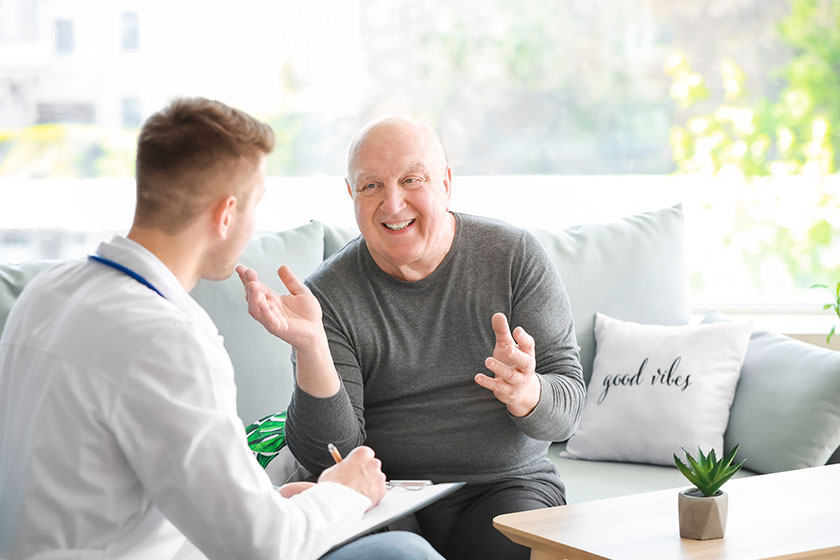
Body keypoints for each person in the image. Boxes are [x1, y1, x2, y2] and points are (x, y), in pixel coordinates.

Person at [0, 99, 442, 560]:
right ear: (226, 214)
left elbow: (120, 493)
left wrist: (279, 502)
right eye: (256, 204)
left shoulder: (46, 294)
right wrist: (346, 491)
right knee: (404, 553)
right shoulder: (164, 338)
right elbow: (265, 547)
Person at [241, 116, 586, 560]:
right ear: (351, 195)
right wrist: (311, 348)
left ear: (445, 182)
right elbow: (332, 459)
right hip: (385, 493)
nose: (393, 203)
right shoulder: (325, 295)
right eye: (371, 187)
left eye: (411, 180)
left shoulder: (515, 257)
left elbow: (567, 413)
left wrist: (529, 392)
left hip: (504, 483)